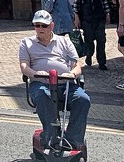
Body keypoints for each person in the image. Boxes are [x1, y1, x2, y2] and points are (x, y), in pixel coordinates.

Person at [19, 9, 90, 152]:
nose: (40, 29)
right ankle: (51, 137)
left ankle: (73, 140)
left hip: (65, 84)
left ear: (51, 26)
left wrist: (72, 74)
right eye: (37, 25)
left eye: (44, 26)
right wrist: (35, 73)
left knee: (83, 99)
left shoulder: (64, 41)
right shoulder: (26, 43)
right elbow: (24, 66)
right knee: (43, 96)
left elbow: (77, 66)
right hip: (41, 83)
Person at [73, 0, 110, 69]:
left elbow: (104, 0)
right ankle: (89, 54)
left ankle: (102, 62)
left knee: (101, 40)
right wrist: (76, 17)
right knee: (89, 40)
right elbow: (76, 3)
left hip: (99, 18)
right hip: (86, 19)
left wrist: (107, 13)